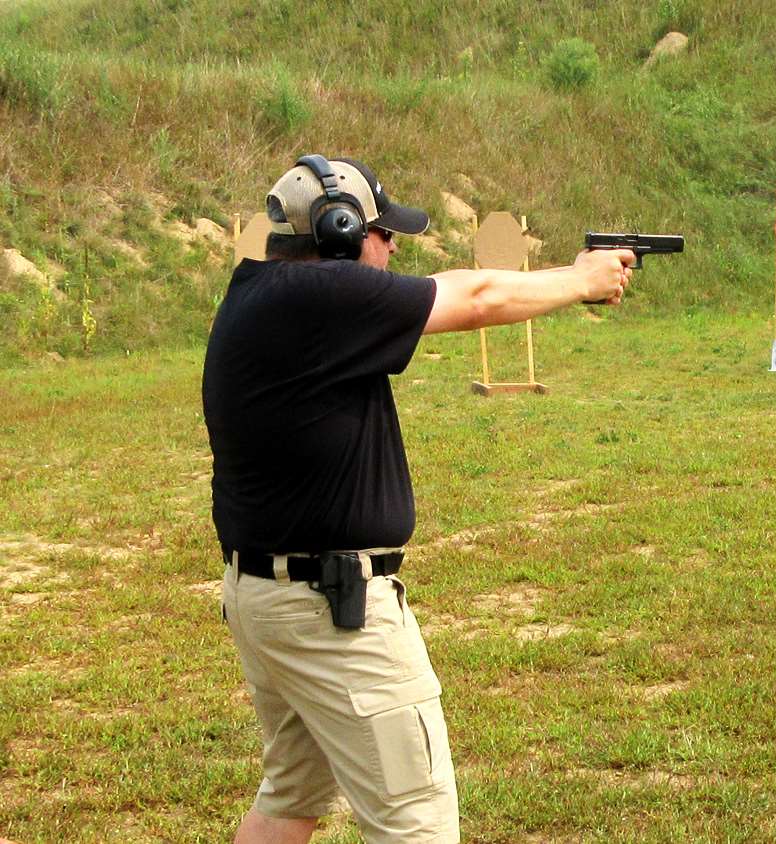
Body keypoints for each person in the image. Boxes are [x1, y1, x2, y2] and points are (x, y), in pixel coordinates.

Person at [203, 155, 634, 843]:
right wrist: (581, 281)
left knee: (289, 798)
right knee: (416, 824)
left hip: (272, 597)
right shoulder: (316, 301)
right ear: (340, 230)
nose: (393, 246)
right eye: (382, 232)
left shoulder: (263, 291)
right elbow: (476, 297)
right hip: (330, 613)